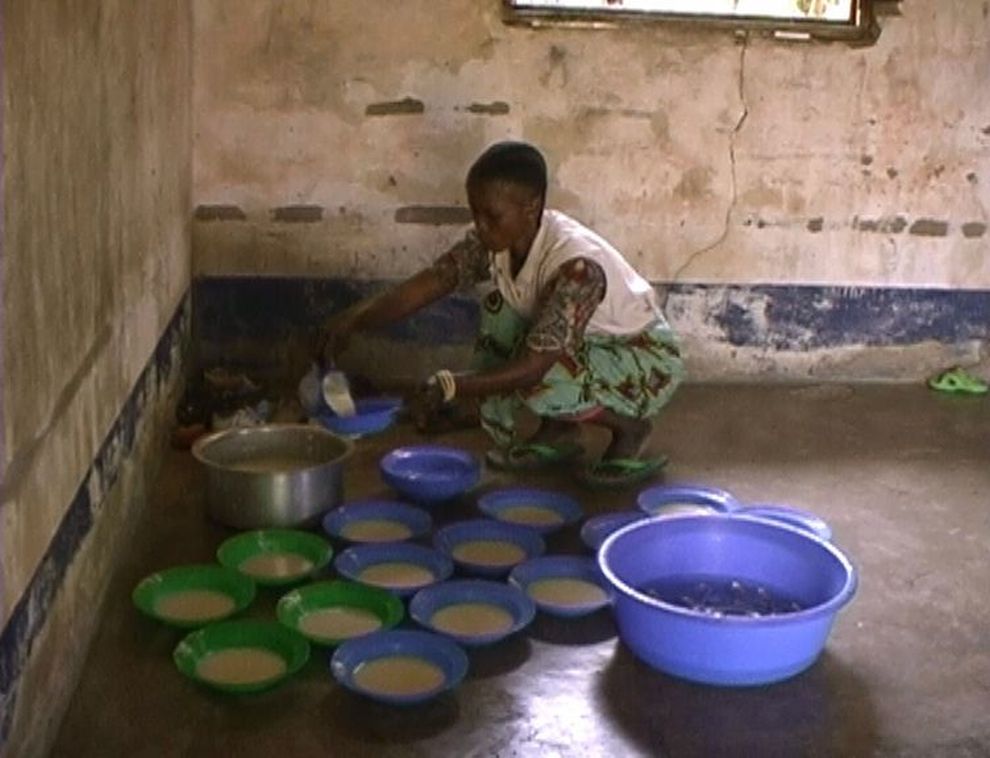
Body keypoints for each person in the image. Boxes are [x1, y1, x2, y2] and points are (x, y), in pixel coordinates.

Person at [316, 141, 685, 487]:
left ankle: (629, 427)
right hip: (590, 348)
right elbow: (434, 282)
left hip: (643, 360)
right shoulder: (497, 242)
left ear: (531, 207)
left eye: (491, 216)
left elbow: (535, 365)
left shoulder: (577, 267)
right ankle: (558, 429)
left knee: (541, 375)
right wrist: (354, 319)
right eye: (475, 213)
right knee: (501, 307)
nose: (480, 226)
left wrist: (452, 386)